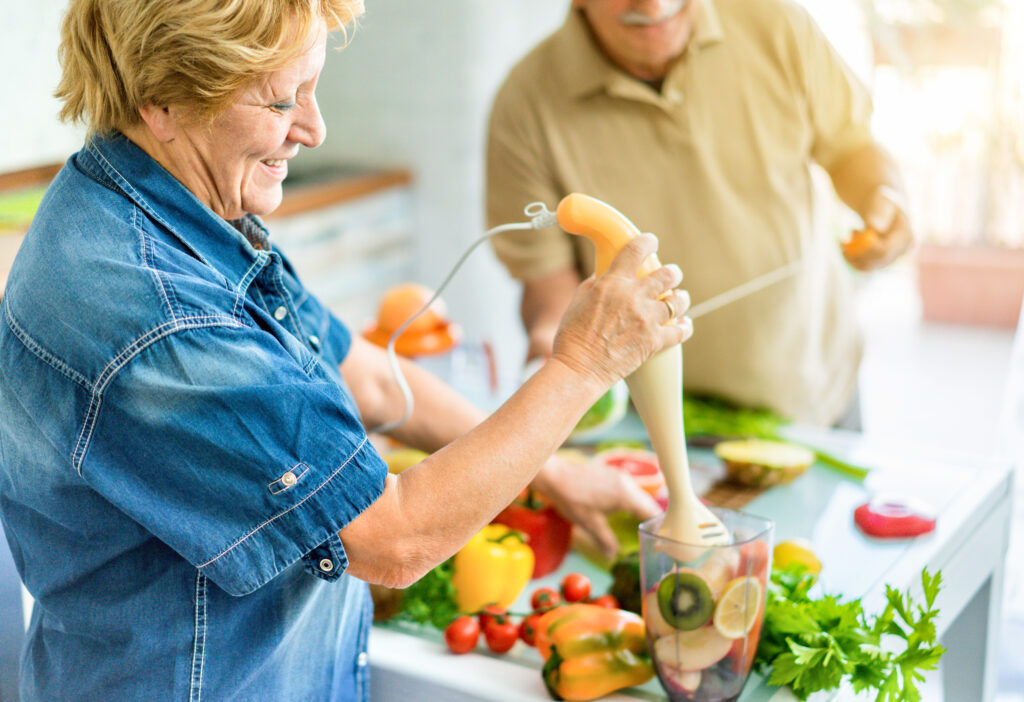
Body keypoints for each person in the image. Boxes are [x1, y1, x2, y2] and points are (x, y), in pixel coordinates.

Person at [0, 1, 694, 700]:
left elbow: (366, 375)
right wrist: (583, 364)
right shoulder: (156, 314)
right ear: (164, 102)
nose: (313, 128)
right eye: (280, 100)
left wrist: (558, 475)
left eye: (310, 88)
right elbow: (394, 540)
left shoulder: (170, 209)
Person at [487, 0, 914, 428]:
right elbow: (548, 287)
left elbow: (850, 147)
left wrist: (884, 195)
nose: (654, 6)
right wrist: (555, 355)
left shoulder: (778, 24)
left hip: (816, 394)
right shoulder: (524, 104)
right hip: (648, 423)